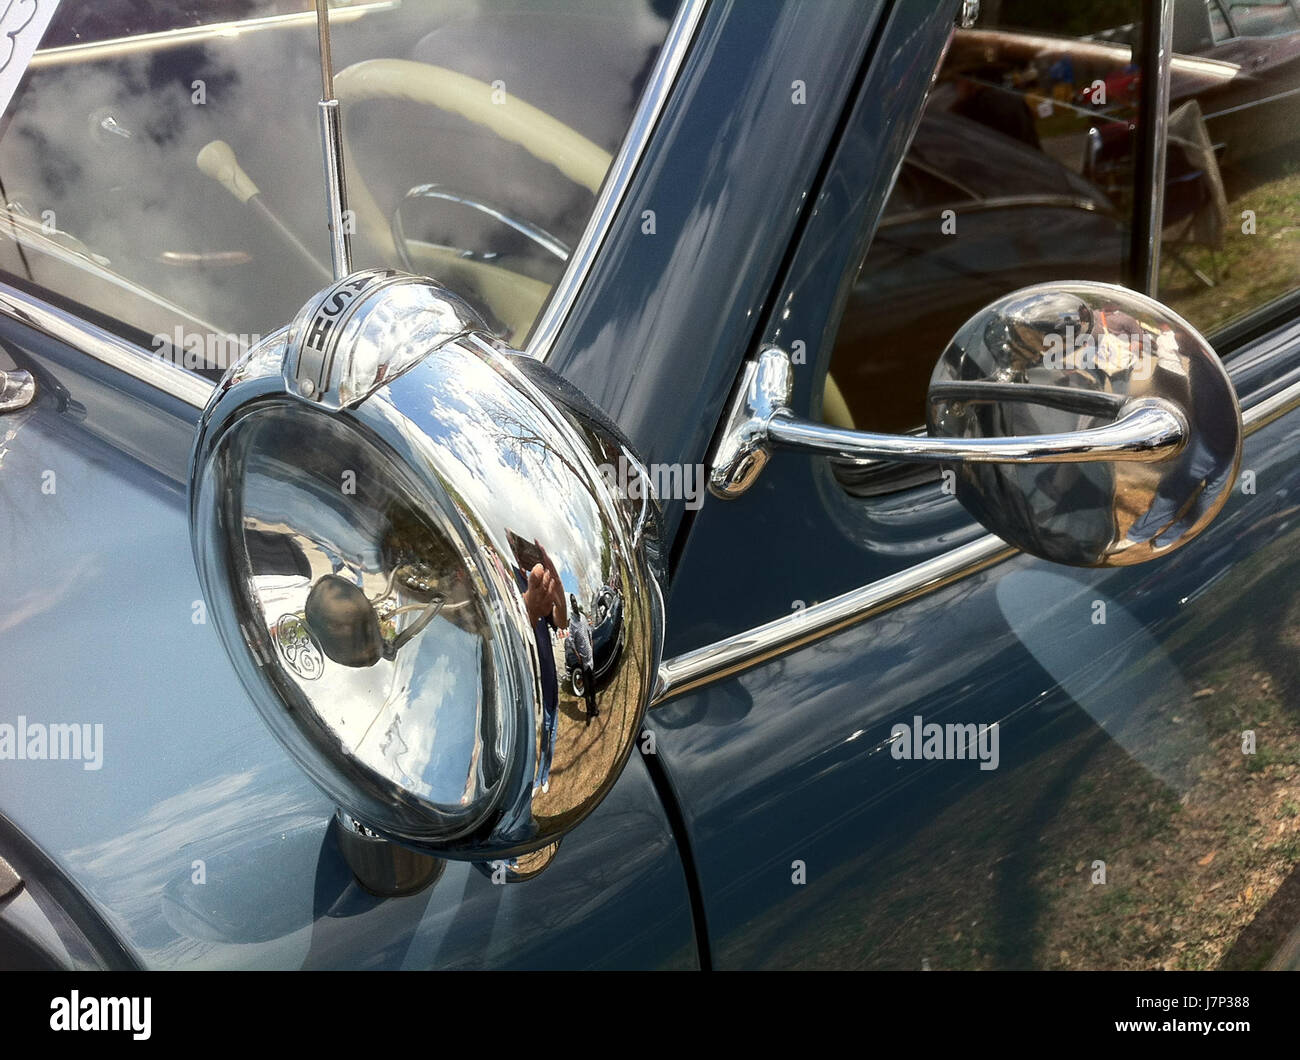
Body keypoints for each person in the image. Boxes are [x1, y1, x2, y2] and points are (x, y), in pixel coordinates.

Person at [568, 593, 598, 723]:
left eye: (575, 601)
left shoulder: (584, 617)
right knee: (586, 688)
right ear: (571, 604)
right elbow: (571, 641)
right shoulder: (572, 623)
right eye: (572, 602)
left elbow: (589, 632)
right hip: (583, 660)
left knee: (593, 686)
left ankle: (595, 708)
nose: (575, 604)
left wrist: (591, 644)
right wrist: (577, 655)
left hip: (590, 657)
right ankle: (588, 713)